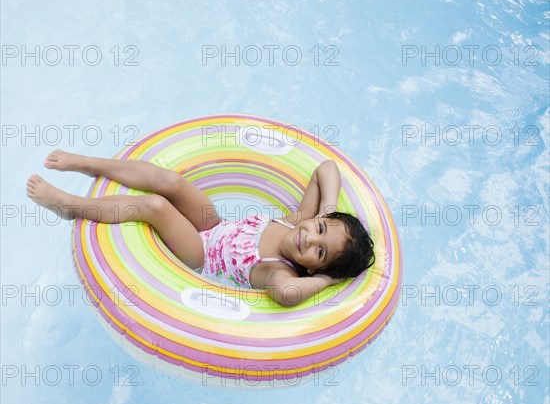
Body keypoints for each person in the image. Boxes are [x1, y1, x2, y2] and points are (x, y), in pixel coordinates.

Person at [26, 151, 375, 307]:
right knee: (171, 181)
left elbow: (286, 296)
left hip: (199, 255)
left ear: (314, 266)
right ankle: (90, 164)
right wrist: (330, 212)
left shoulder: (278, 272)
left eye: (320, 250)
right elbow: (326, 168)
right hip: (215, 227)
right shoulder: (299, 222)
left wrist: (327, 280)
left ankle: (71, 207)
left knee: (156, 206)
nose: (310, 237)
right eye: (321, 228)